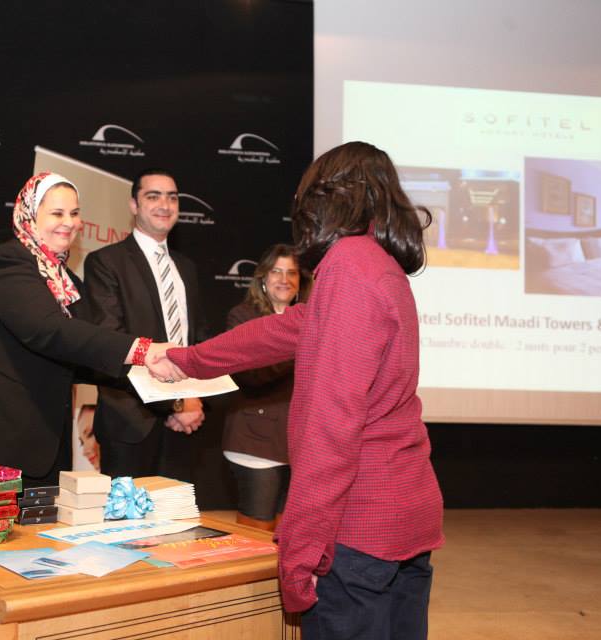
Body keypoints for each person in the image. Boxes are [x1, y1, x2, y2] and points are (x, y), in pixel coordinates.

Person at [161, 142, 445, 639]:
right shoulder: (378, 264)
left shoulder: (348, 266)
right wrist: (184, 359)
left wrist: (301, 552)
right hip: (406, 517)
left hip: (359, 532)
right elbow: (282, 330)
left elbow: (330, 427)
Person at [0, 172, 177, 487]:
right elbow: (47, 330)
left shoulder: (67, 282)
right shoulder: (9, 262)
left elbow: (85, 354)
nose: (68, 222)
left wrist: (152, 371)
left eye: (74, 213)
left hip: (34, 444)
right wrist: (142, 350)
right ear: (29, 215)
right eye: (57, 213)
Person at [83, 168, 209, 481]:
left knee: (178, 513)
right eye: (153, 196)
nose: (164, 205)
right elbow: (111, 346)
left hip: (186, 423)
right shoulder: (106, 262)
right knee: (129, 515)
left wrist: (192, 400)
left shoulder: (187, 268)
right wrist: (176, 404)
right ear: (134, 205)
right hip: (132, 423)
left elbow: (198, 341)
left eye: (172, 197)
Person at [222, 243, 309, 531]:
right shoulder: (243, 317)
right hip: (254, 440)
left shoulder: (310, 318)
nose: (285, 280)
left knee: (291, 533)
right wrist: (300, 348)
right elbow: (251, 375)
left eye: (292, 273)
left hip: (298, 441)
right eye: (276, 272)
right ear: (262, 277)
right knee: (255, 535)